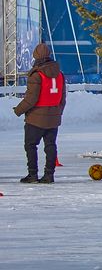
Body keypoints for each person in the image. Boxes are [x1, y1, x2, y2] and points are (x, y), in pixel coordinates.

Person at [13, 43, 66, 184]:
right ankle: (49, 175)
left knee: (30, 145)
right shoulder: (60, 74)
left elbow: (31, 99)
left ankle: (32, 175)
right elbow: (62, 98)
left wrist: (18, 110)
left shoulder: (37, 75)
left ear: (36, 56)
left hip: (36, 118)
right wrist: (57, 112)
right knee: (50, 145)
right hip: (53, 117)